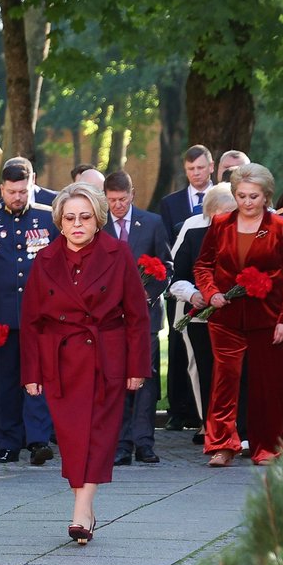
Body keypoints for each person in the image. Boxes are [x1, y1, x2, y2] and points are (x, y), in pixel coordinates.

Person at [23, 183, 150, 545]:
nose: (77, 224)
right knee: (71, 436)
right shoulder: (45, 259)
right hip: (60, 360)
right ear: (60, 223)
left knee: (99, 434)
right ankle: (86, 507)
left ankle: (81, 509)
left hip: (106, 356)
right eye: (70, 218)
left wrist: (137, 367)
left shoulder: (118, 253)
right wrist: (31, 372)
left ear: (98, 220)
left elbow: (137, 316)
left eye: (85, 217)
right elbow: (31, 321)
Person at [194, 164, 283, 467]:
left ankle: (268, 447)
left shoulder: (280, 227)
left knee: (268, 384)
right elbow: (203, 265)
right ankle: (222, 444)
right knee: (224, 381)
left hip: (268, 318)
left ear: (266, 196)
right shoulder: (221, 224)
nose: (247, 202)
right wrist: (211, 292)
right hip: (226, 317)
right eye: (241, 196)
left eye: (254, 196)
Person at [0, 165, 59, 464]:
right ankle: (7, 443)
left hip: (40, 316)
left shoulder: (49, 217)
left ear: (31, 186)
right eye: (11, 192)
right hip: (1, 317)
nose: (18, 197)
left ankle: (38, 441)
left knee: (39, 379)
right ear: (2, 189)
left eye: (23, 191)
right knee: (3, 383)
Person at [101, 171, 169, 465]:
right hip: (110, 318)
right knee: (116, 379)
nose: (117, 205)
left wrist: (148, 294)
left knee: (145, 380)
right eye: (112, 200)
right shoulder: (98, 225)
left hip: (146, 317)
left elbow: (166, 266)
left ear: (132, 194)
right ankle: (121, 444)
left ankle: (144, 443)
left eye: (122, 199)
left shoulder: (152, 223)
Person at [166, 183, 235, 446]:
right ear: (210, 213)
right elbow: (175, 277)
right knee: (205, 372)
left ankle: (235, 425)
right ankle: (210, 425)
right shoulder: (194, 233)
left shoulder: (246, 234)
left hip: (235, 317)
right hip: (199, 317)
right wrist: (193, 293)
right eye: (225, 212)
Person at [157, 145, 215, 430]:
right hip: (183, 287)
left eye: (201, 168)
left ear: (211, 167)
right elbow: (168, 244)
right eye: (191, 169)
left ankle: (210, 416)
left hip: (217, 293)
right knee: (181, 351)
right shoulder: (171, 203)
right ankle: (181, 409)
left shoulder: (226, 198)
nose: (196, 173)